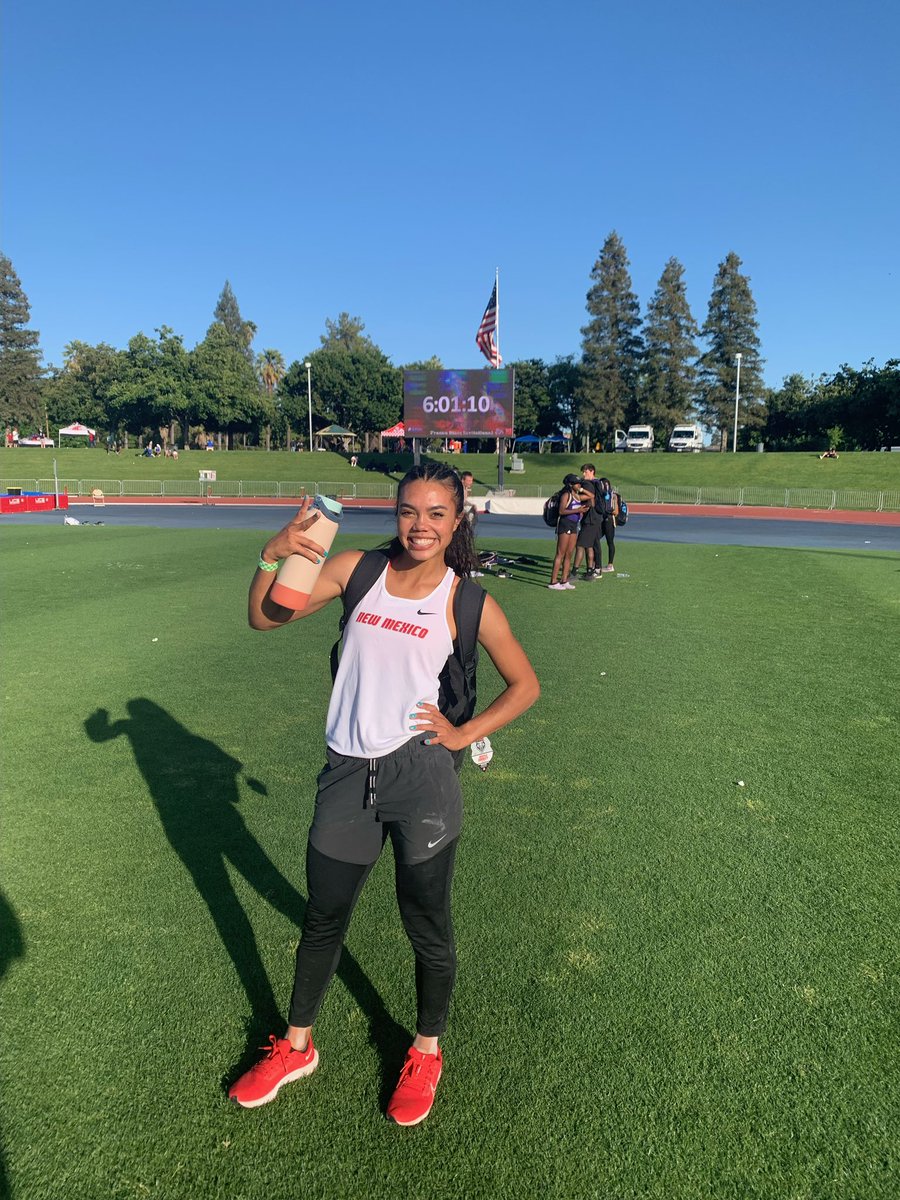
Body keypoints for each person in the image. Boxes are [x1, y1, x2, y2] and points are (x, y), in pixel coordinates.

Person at [231, 462, 540, 1125]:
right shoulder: (357, 571)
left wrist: (463, 734)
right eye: (408, 511)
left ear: (456, 521)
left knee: (425, 922)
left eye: (435, 514)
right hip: (346, 774)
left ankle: (426, 1050)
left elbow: (526, 684)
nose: (420, 525)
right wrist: (271, 555)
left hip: (421, 778)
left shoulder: (469, 602)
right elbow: (268, 618)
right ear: (394, 513)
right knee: (323, 918)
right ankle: (296, 1045)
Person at [548, 473, 591, 590]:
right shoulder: (566, 495)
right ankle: (553, 581)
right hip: (565, 524)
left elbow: (591, 495)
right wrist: (578, 510)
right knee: (560, 554)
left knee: (569, 554)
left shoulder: (577, 495)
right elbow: (562, 511)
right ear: (570, 484)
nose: (579, 485)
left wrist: (581, 489)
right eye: (577, 483)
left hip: (573, 525)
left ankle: (564, 580)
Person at [573, 463, 603, 579]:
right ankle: (591, 571)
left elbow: (590, 499)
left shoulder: (589, 484)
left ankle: (574, 573)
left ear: (592, 471)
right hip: (596, 517)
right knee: (591, 545)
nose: (583, 474)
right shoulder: (597, 483)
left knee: (581, 545)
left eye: (585, 471)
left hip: (591, 518)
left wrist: (577, 493)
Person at [595, 477, 618, 572]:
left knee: (601, 541)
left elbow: (615, 511)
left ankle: (607, 564)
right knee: (609, 542)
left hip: (604, 520)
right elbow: (616, 512)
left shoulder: (600, 495)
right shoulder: (613, 495)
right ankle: (608, 564)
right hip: (609, 520)